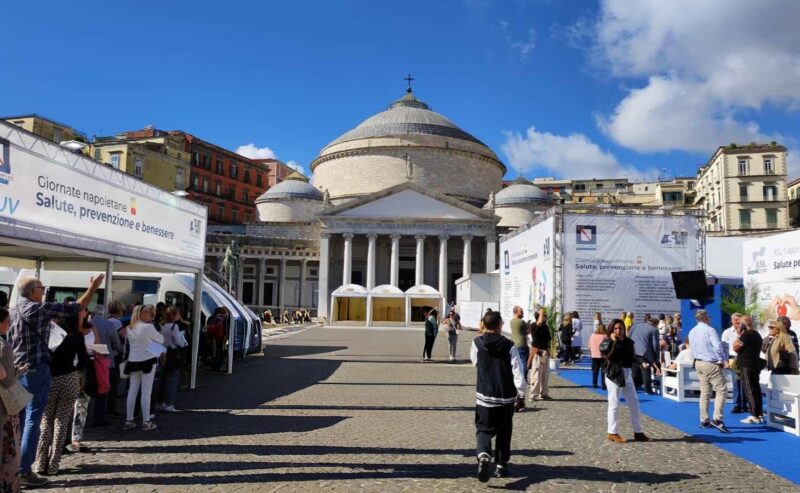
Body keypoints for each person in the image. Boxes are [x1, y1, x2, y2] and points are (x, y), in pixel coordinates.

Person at [8, 274, 104, 487]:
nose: (44, 291)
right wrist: (93, 288)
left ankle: (13, 468)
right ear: (33, 292)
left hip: (17, 370)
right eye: (42, 288)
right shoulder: (37, 309)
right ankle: (25, 471)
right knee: (34, 419)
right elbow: (75, 307)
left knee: (20, 421)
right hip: (37, 370)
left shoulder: (12, 311)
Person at [470, 310, 526, 482]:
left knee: (483, 429)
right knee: (504, 431)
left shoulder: (477, 343)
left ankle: (484, 454)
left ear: (485, 325)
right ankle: (501, 465)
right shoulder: (509, 345)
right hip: (505, 397)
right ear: (499, 325)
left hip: (485, 394)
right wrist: (521, 394)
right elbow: (517, 370)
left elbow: (475, 363)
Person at [33, 311, 89, 476]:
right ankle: (54, 464)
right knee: (61, 423)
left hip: (49, 380)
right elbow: (83, 359)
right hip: (69, 379)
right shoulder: (78, 336)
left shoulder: (49, 334)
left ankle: (40, 463)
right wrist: (78, 373)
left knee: (45, 422)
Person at [600, 319, 650, 443]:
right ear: (611, 330)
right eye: (616, 328)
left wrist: (641, 362)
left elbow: (632, 356)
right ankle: (612, 432)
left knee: (634, 402)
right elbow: (608, 356)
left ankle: (638, 432)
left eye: (621, 328)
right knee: (614, 403)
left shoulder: (628, 342)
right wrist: (613, 341)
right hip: (614, 374)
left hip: (627, 373)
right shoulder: (607, 342)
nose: (618, 331)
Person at [687, 309, 730, 433]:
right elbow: (717, 346)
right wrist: (721, 359)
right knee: (721, 390)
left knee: (705, 392)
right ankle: (718, 419)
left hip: (698, 362)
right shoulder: (709, 330)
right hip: (709, 363)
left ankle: (704, 420)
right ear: (706, 318)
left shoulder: (692, 331)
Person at [123, 305, 164, 431]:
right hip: (147, 361)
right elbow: (161, 339)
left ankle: (129, 420)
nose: (150, 315)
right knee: (146, 391)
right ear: (141, 314)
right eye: (147, 312)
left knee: (132, 391)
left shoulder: (130, 327)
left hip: (133, 361)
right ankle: (146, 421)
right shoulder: (149, 327)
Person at [0, 307, 27, 493]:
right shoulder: (4, 346)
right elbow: (7, 379)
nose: (9, 325)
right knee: (8, 451)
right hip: (3, 407)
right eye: (8, 322)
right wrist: (18, 371)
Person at [156, 306, 189, 413]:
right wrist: (184, 343)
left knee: (162, 379)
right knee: (172, 380)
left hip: (162, 353)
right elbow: (178, 341)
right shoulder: (174, 326)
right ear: (174, 315)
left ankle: (159, 402)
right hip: (173, 354)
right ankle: (169, 403)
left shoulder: (161, 325)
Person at [734, 315, 764, 424]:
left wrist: (739, 336)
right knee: (755, 389)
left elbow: (736, 347)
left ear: (743, 324)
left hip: (747, 365)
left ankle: (755, 415)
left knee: (749, 390)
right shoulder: (757, 334)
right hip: (754, 364)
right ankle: (758, 413)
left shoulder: (746, 335)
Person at [96, 301, 125, 417]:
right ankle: (110, 409)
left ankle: (98, 410)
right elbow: (117, 342)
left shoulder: (101, 322)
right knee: (112, 384)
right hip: (111, 357)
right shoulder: (116, 323)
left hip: (96, 356)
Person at [721, 313, 747, 414]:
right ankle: (737, 404)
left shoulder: (745, 332)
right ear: (731, 321)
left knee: (744, 381)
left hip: (744, 358)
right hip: (733, 358)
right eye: (735, 320)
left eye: (739, 320)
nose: (737, 321)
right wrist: (725, 361)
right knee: (736, 381)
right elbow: (723, 348)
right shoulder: (727, 332)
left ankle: (745, 404)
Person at [628, 318, 661, 394]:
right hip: (644, 353)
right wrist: (656, 358)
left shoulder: (636, 325)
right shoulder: (654, 330)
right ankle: (647, 390)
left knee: (634, 370)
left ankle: (634, 388)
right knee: (646, 371)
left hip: (633, 350)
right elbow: (655, 345)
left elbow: (629, 336)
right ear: (656, 324)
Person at [526, 309, 551, 401]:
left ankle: (543, 393)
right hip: (537, 352)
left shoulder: (546, 326)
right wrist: (541, 311)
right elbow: (539, 322)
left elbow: (548, 339)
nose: (545, 317)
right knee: (536, 375)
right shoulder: (534, 325)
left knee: (545, 375)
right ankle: (533, 395)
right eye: (544, 315)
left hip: (545, 353)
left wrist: (548, 351)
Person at [509, 307, 529, 379]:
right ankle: (524, 379)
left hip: (514, 343)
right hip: (522, 344)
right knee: (524, 362)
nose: (522, 313)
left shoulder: (511, 321)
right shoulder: (521, 322)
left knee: (515, 362)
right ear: (516, 312)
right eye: (521, 311)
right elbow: (528, 331)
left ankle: (516, 378)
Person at [589, 323, 607, 389]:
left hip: (594, 355)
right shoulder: (605, 336)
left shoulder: (592, 335)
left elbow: (589, 345)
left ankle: (594, 383)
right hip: (603, 356)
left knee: (595, 371)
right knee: (604, 371)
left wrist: (592, 352)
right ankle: (603, 385)